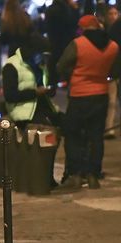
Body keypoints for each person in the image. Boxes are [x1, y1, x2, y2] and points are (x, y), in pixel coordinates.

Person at [57, 15, 119, 190]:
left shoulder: (78, 44)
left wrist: (72, 75)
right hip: (101, 94)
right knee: (96, 136)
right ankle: (93, 175)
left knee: (73, 134)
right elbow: (115, 70)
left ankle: (76, 174)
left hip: (79, 95)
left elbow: (61, 66)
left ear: (83, 28)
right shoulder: (113, 46)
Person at [2, 34, 59, 188]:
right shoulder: (12, 65)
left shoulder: (40, 64)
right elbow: (10, 96)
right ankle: (40, 178)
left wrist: (50, 89)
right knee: (46, 135)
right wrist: (35, 92)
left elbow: (46, 84)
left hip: (41, 106)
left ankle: (49, 175)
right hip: (22, 111)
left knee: (64, 126)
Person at [44, 0, 79, 85]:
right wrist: (75, 9)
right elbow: (74, 24)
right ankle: (67, 80)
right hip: (67, 40)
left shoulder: (50, 9)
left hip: (54, 40)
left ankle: (51, 82)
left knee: (53, 61)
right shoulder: (68, 9)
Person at [104, 5, 119, 139]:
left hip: (115, 70)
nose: (113, 16)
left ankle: (110, 128)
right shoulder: (106, 31)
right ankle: (109, 128)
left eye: (115, 13)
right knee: (111, 101)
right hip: (112, 71)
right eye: (111, 13)